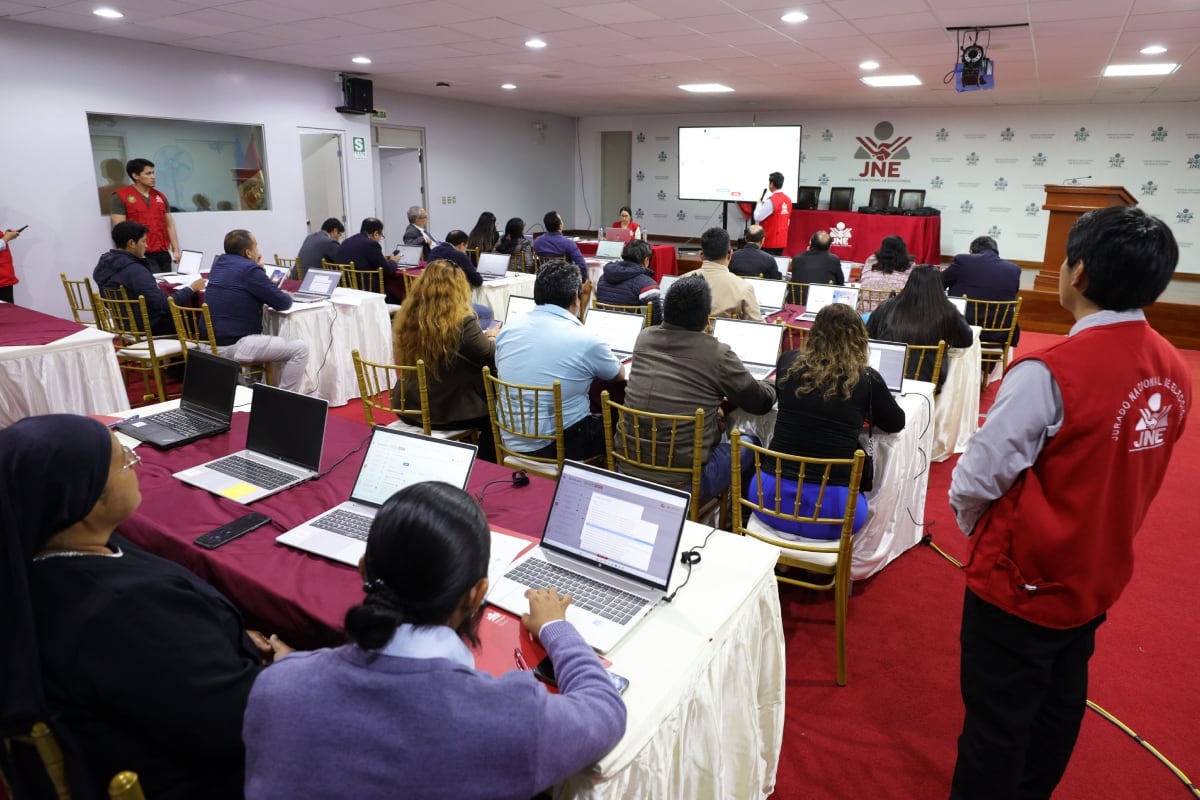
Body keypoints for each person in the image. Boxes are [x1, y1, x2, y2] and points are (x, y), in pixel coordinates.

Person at [947, 206, 1191, 800]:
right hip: (1098, 571)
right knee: (1058, 703)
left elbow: (976, 480)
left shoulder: (1050, 370)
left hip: (1023, 578)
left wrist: (974, 527)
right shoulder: (1173, 365)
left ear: (1077, 272)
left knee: (997, 722)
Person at [242, 481, 627, 800]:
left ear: (364, 571)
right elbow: (605, 711)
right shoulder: (509, 718)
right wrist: (556, 627)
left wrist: (296, 668)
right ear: (477, 595)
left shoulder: (276, 687)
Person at [0, 415, 289, 799]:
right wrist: (291, 674)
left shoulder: (36, 557)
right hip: (202, 775)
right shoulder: (120, 610)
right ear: (85, 499)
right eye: (124, 460)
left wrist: (226, 640)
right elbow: (236, 720)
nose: (136, 465)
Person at [756, 303, 904, 538]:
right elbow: (896, 423)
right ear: (859, 339)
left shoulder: (788, 363)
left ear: (814, 333)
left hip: (766, 499)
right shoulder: (866, 379)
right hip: (832, 512)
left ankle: (785, 561)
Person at [622, 274, 775, 500]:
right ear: (706, 319)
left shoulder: (644, 338)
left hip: (626, 466)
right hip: (684, 483)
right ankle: (739, 516)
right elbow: (760, 403)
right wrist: (771, 384)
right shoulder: (716, 353)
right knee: (750, 439)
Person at [494, 260, 624, 461]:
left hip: (508, 438)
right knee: (620, 419)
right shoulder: (585, 339)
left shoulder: (508, 329)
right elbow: (618, 375)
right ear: (575, 296)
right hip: (558, 445)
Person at [391, 260, 499, 462]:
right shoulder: (462, 321)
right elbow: (490, 357)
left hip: (409, 405)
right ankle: (485, 465)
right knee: (499, 416)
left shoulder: (409, 315)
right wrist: (492, 337)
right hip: (448, 411)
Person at [205, 229, 310, 391]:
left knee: (261, 337)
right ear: (248, 252)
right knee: (300, 349)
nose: (258, 251)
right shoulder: (250, 270)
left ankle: (253, 387)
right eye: (256, 247)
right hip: (235, 345)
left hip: (209, 343)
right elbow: (282, 303)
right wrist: (284, 293)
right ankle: (286, 398)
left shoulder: (219, 264)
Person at [866, 265, 973, 391]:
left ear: (909, 282)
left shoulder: (887, 306)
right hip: (927, 382)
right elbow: (966, 340)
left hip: (886, 379)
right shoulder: (948, 311)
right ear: (939, 286)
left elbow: (868, 335)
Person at [93, 221, 204, 337]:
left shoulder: (104, 264)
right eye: (143, 241)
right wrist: (192, 288)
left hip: (122, 324)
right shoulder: (135, 270)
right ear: (131, 243)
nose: (146, 246)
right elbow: (164, 305)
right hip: (147, 327)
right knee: (194, 319)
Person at [942, 234, 1022, 347]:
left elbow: (939, 283)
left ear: (972, 251)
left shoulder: (963, 260)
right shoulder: (1014, 270)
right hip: (999, 334)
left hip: (963, 332)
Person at [109, 158, 180, 274]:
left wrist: (175, 250)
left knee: (166, 286)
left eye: (153, 173)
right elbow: (120, 230)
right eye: (148, 173)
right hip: (140, 254)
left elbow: (169, 225)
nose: (153, 176)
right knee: (149, 288)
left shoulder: (160, 196)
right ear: (135, 176)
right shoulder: (120, 196)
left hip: (163, 253)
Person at [428, 229, 494, 328]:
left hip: (432, 299)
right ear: (461, 245)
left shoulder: (434, 250)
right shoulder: (458, 255)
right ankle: (472, 336)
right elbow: (477, 281)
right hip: (451, 302)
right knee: (487, 313)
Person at [696, 226, 761, 321]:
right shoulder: (744, 287)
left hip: (684, 336)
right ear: (730, 254)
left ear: (701, 255)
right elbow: (758, 326)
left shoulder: (680, 281)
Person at [594, 239, 662, 325]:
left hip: (602, 327)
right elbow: (655, 321)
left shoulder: (602, 277)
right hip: (632, 333)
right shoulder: (647, 285)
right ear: (646, 260)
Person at [335, 217, 402, 303]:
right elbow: (388, 270)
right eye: (380, 236)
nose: (379, 239)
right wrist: (393, 261)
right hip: (367, 291)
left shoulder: (347, 241)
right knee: (400, 296)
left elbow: (361, 259)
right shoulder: (371, 244)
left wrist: (381, 258)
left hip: (346, 290)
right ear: (376, 233)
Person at [789, 230, 844, 302]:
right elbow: (840, 282)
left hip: (797, 301)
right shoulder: (833, 259)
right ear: (830, 246)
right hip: (822, 303)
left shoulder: (797, 259)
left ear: (810, 243)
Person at [532, 210, 587, 280]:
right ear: (560, 226)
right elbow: (582, 266)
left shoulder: (537, 242)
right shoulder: (568, 243)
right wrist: (584, 280)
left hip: (544, 282)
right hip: (564, 283)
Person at [752, 171, 792, 255]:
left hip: (769, 241)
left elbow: (757, 217)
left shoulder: (771, 200)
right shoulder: (788, 200)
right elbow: (787, 221)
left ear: (771, 184)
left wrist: (758, 204)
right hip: (781, 241)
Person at [0, 225, 22, 304]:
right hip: (2, 282)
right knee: (6, 313)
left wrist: (6, 236)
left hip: (4, 281)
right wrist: (6, 238)